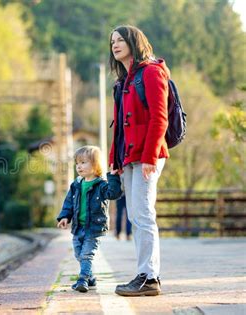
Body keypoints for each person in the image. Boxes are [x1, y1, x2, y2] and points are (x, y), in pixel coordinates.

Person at [109, 25, 170, 296]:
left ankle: (149, 277)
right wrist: (114, 158)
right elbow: (119, 126)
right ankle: (143, 273)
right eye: (112, 41)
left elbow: (160, 118)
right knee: (135, 215)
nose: (115, 44)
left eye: (121, 40)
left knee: (143, 214)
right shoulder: (123, 81)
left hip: (148, 156)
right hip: (129, 158)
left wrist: (149, 157)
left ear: (135, 42)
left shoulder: (152, 72)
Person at [56, 145, 122, 293]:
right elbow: (69, 203)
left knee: (87, 254)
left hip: (94, 228)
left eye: (83, 162)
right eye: (77, 163)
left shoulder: (102, 185)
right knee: (78, 254)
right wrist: (65, 217)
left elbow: (114, 194)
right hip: (78, 227)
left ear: (96, 164)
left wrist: (113, 176)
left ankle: (82, 279)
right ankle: (91, 277)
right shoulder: (76, 185)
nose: (79, 166)